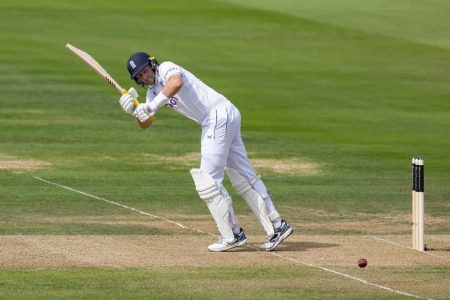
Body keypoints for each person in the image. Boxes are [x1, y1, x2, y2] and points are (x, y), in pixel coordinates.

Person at [119, 52, 293, 252]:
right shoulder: (152, 93)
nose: (144, 77)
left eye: (144, 71)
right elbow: (146, 123)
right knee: (243, 176)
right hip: (223, 116)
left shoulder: (166, 68)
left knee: (208, 180)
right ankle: (277, 226)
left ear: (152, 64)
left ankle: (232, 234)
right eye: (139, 76)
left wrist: (150, 106)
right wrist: (135, 110)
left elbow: (175, 83)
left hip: (217, 116)